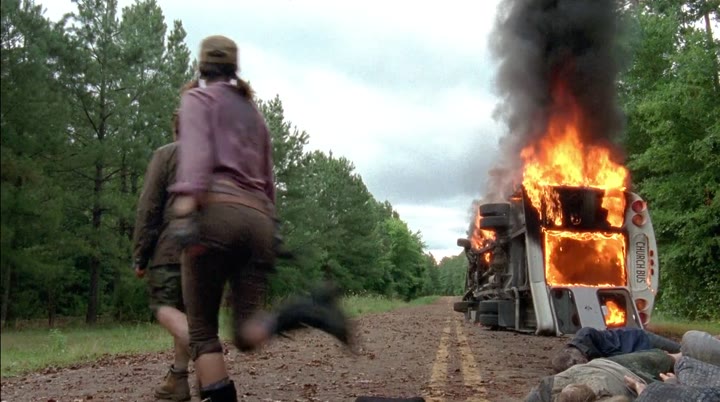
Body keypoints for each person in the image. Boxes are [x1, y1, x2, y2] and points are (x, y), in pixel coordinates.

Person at [168, 35, 350, 402]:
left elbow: (197, 158)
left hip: (215, 216)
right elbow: (268, 180)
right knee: (247, 331)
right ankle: (303, 311)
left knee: (202, 332)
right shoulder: (254, 115)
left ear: (203, 66)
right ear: (234, 69)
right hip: (259, 223)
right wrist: (272, 229)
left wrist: (185, 210)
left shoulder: (197, 99)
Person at [132, 97, 196, 401]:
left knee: (164, 308)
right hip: (211, 253)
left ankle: (206, 354)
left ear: (177, 129)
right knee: (189, 314)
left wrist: (140, 255)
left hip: (172, 250)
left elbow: (149, 208)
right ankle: (178, 380)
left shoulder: (167, 154)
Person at [551, 327, 681, 373]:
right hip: (638, 347)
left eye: (579, 363)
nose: (583, 364)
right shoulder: (581, 352)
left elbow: (618, 357)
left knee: (684, 349)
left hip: (639, 338)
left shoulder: (586, 335)